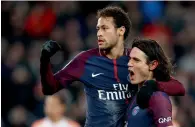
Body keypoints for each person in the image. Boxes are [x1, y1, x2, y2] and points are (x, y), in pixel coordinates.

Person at [40, 6, 185, 127]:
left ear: (121, 30)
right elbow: (50, 88)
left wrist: (153, 85)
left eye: (104, 28)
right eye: (98, 29)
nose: (99, 34)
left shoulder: (134, 61)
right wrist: (45, 62)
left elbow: (178, 88)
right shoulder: (85, 60)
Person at [126, 39, 177, 127]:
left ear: (152, 65)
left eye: (136, 60)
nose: (130, 64)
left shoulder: (158, 97)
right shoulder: (135, 96)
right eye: (130, 59)